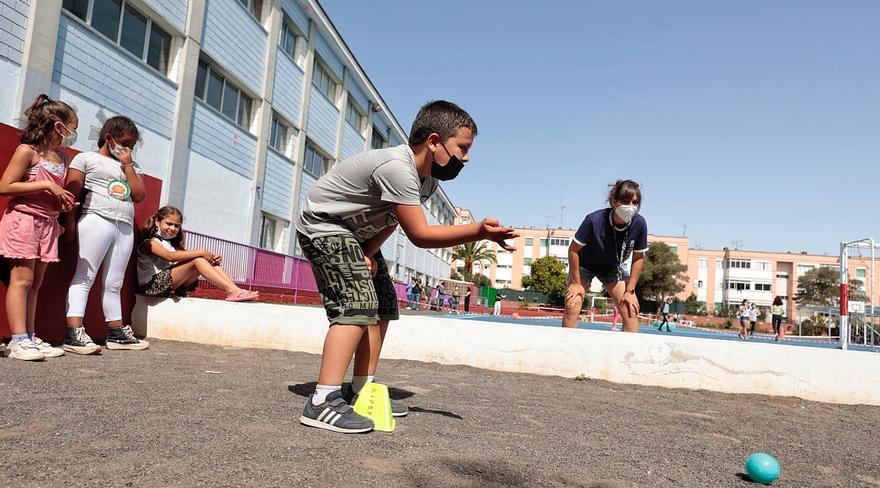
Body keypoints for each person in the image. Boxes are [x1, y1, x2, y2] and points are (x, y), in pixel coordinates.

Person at [294, 100, 517, 433]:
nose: (466, 158)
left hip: (357, 235)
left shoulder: (427, 181)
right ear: (433, 141)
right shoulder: (397, 167)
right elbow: (420, 235)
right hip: (323, 225)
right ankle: (322, 401)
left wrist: (368, 252)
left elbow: (391, 220)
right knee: (356, 305)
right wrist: (479, 230)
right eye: (463, 148)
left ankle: (361, 390)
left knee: (383, 304)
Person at [0, 94, 78, 361]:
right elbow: (5, 186)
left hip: (48, 224)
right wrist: (46, 185)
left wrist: (62, 202)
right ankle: (18, 340)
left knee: (36, 284)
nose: (73, 134)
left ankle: (31, 336)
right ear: (58, 126)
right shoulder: (27, 151)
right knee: (21, 281)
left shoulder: (62, 157)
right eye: (72, 127)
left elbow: (54, 192)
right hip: (24, 222)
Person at [62, 116, 148, 354]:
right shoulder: (85, 158)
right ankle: (74, 332)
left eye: (131, 145)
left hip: (124, 226)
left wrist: (128, 164)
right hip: (95, 219)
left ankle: (116, 332)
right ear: (108, 138)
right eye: (124, 142)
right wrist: (69, 225)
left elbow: (139, 195)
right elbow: (72, 194)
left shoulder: (132, 165)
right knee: (84, 276)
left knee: (114, 282)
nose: (127, 148)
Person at [562, 180, 648, 332]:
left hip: (612, 268)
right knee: (572, 303)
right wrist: (575, 282)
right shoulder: (594, 220)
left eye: (635, 203)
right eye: (626, 201)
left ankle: (629, 353)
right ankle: (565, 350)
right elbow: (573, 249)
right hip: (585, 265)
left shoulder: (639, 224)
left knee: (630, 310)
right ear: (614, 201)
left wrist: (630, 291)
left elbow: (638, 258)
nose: (631, 206)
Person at [136, 206, 258, 302]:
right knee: (198, 259)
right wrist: (202, 252)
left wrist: (210, 258)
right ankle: (232, 291)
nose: (173, 228)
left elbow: (180, 260)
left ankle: (235, 289)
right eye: (169, 224)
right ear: (158, 221)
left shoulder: (171, 244)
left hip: (170, 285)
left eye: (176, 226)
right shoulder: (150, 242)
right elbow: (169, 256)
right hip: (150, 287)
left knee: (206, 260)